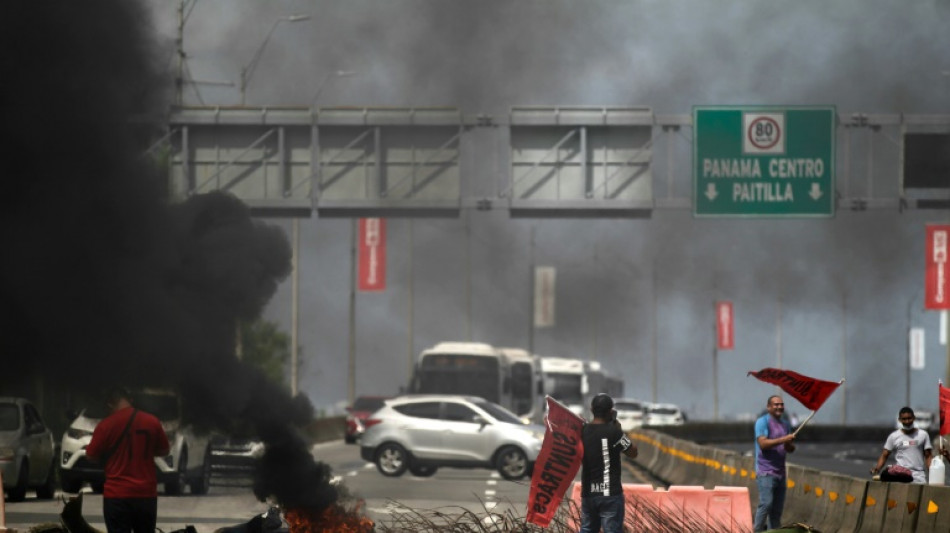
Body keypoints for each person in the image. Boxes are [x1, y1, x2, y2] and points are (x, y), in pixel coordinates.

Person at [86, 387, 171, 533]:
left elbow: (91, 456)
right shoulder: (152, 421)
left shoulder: (106, 425)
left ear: (110, 404)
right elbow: (164, 450)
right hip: (146, 495)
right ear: (129, 400)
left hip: (117, 495)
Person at [579, 393, 638, 533]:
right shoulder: (614, 432)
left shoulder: (582, 431)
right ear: (610, 412)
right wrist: (619, 430)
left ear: (592, 409)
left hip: (588, 494)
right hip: (610, 493)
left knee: (587, 529)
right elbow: (633, 452)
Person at [753, 395, 796, 532]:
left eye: (781, 404)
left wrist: (789, 443)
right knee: (766, 504)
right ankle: (757, 530)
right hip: (765, 472)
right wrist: (784, 438)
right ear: (769, 407)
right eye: (776, 404)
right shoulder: (762, 422)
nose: (779, 407)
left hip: (780, 473)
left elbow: (789, 449)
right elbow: (763, 444)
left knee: (776, 512)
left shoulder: (785, 424)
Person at [870, 406, 933, 484]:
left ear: (914, 418)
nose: (907, 421)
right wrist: (877, 468)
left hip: (918, 477)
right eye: (904, 419)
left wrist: (933, 474)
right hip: (901, 476)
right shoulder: (893, 436)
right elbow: (884, 455)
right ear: (900, 420)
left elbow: (928, 456)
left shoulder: (923, 435)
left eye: (909, 418)